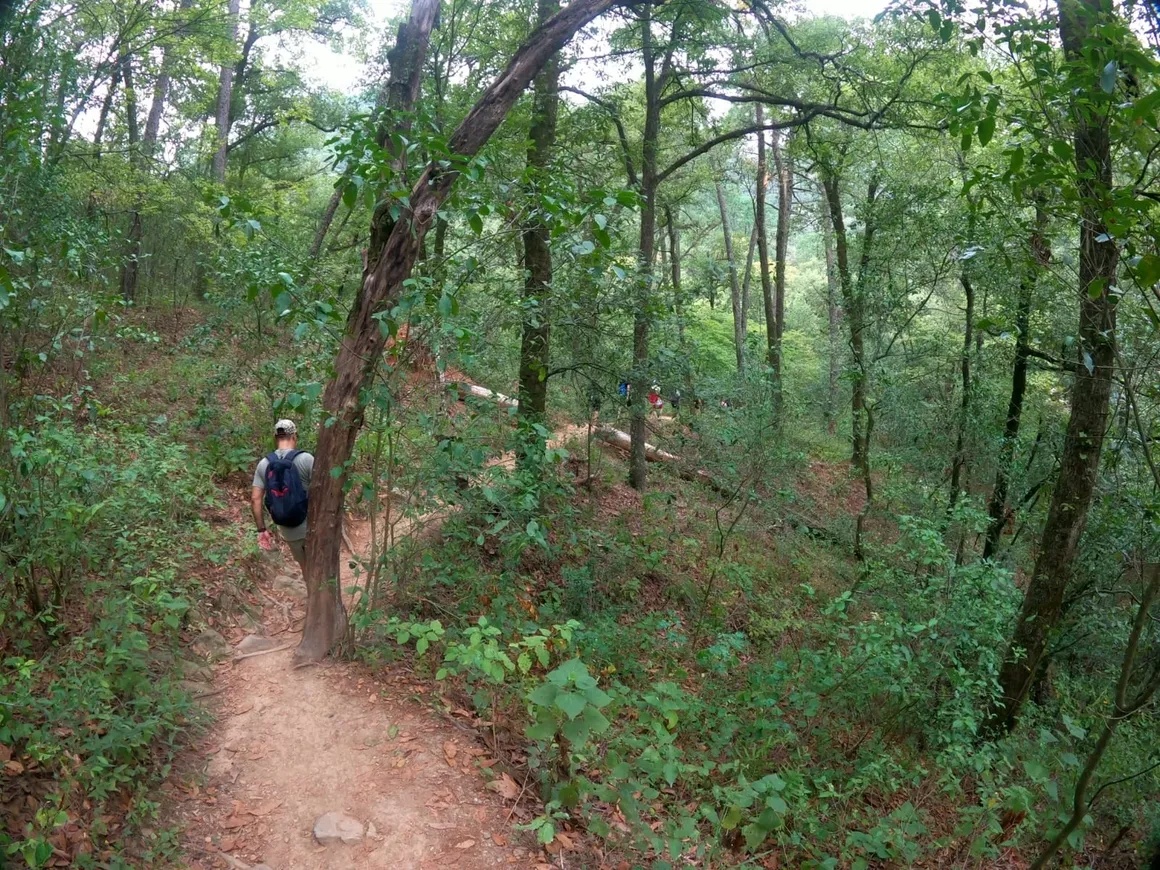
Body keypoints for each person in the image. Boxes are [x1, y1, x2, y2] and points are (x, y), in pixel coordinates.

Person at [251, 419, 314, 570]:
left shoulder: (263, 464)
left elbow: (255, 499)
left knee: (305, 568)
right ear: (294, 436)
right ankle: (324, 594)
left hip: (289, 531)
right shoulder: (306, 459)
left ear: (275, 438)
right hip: (312, 528)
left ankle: (311, 593)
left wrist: (261, 529)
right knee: (320, 569)